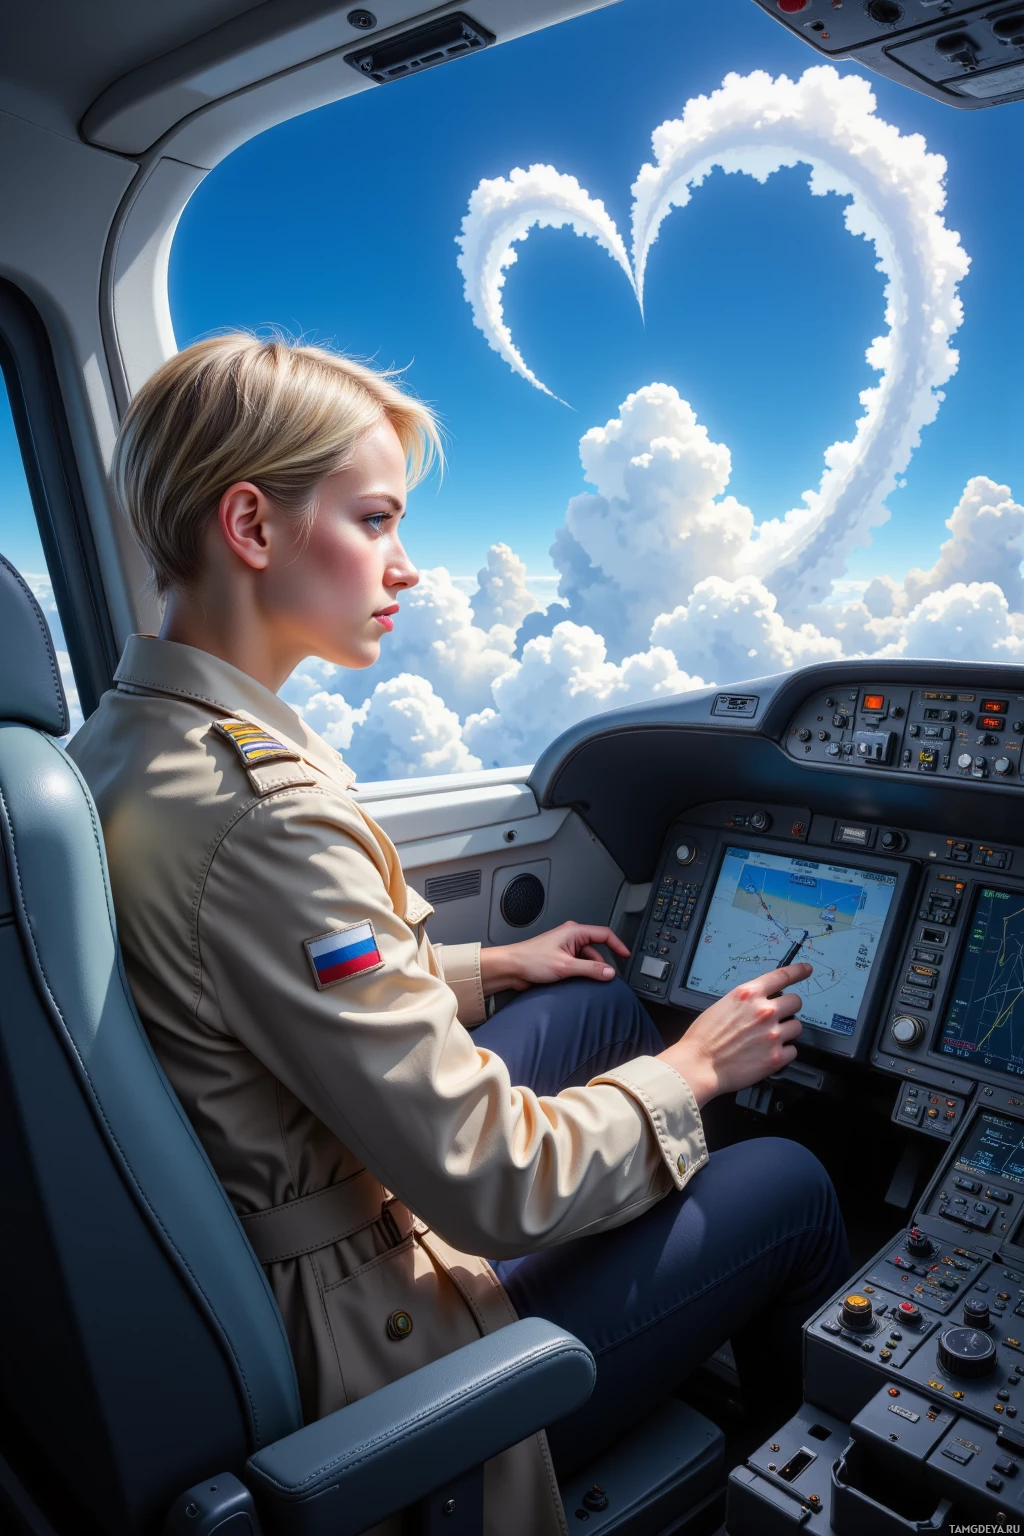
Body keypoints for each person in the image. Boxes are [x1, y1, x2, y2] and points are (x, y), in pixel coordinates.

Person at [69, 335, 851, 1536]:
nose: (407, 567)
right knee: (787, 1181)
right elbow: (494, 1186)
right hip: (366, 1341)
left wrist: (491, 966)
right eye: (376, 520)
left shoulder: (125, 745)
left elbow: (238, 977)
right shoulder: (263, 818)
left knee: (593, 1004)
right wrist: (695, 1072)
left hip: (272, 1211)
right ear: (252, 525)